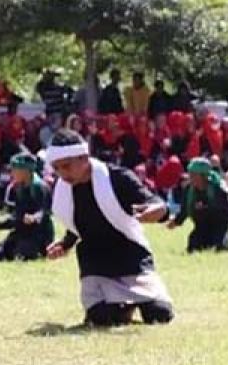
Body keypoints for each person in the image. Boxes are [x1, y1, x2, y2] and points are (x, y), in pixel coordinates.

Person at [44, 130, 174, 326]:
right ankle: (121, 307)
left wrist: (158, 210)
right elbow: (80, 221)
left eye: (67, 166)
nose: (62, 173)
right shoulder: (64, 188)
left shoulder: (118, 178)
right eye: (57, 168)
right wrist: (66, 243)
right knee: (101, 319)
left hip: (129, 254)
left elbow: (154, 203)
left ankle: (135, 302)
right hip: (95, 261)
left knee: (159, 314)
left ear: (84, 158)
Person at [167, 158, 228, 253]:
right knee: (193, 247)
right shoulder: (188, 190)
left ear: (203, 176)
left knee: (219, 247)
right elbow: (184, 211)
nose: (190, 177)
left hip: (219, 226)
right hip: (201, 226)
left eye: (193, 174)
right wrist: (175, 222)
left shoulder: (218, 190)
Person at [0, 153, 54, 262]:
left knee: (22, 256)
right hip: (22, 231)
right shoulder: (19, 187)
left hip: (39, 233)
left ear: (26, 171)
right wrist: (1, 224)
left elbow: (45, 211)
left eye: (15, 169)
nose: (12, 173)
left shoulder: (39, 187)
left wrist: (34, 217)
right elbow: (18, 214)